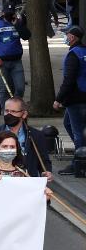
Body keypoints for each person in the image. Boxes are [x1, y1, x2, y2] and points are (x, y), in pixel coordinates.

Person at [0, 97, 52, 176]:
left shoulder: (36, 135)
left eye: (13, 111)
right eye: (6, 111)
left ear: (24, 114)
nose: (9, 114)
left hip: (28, 181)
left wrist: (47, 172)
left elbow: (44, 161)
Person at [54, 26, 86, 154]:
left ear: (72, 37)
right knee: (67, 123)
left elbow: (69, 80)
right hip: (82, 95)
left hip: (75, 98)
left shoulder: (73, 54)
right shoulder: (84, 51)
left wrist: (58, 99)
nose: (65, 37)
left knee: (78, 131)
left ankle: (80, 159)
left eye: (66, 34)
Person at [0, 6, 29, 99]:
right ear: (3, 13)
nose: (9, 16)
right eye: (7, 14)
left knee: (20, 88)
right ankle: (5, 108)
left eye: (11, 13)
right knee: (3, 90)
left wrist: (17, 25)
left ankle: (15, 105)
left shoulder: (17, 22)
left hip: (16, 61)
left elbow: (27, 36)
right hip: (1, 61)